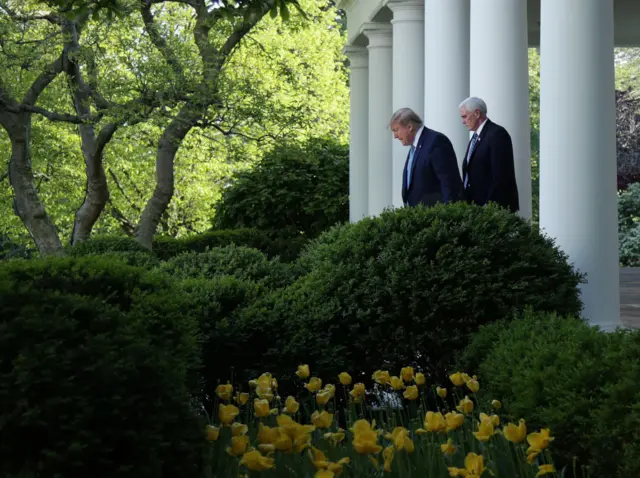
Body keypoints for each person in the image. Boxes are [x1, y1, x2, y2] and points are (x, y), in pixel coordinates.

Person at [390, 108, 463, 207]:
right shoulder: (415, 147)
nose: (395, 136)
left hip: (435, 216)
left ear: (409, 126)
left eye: (396, 130)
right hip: (419, 215)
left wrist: (448, 213)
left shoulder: (436, 141)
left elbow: (449, 182)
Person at [458, 97, 520, 212]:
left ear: (477, 113)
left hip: (492, 209)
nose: (463, 121)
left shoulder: (497, 134)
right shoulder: (475, 138)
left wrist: (489, 207)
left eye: (465, 116)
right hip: (475, 207)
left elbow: (501, 175)